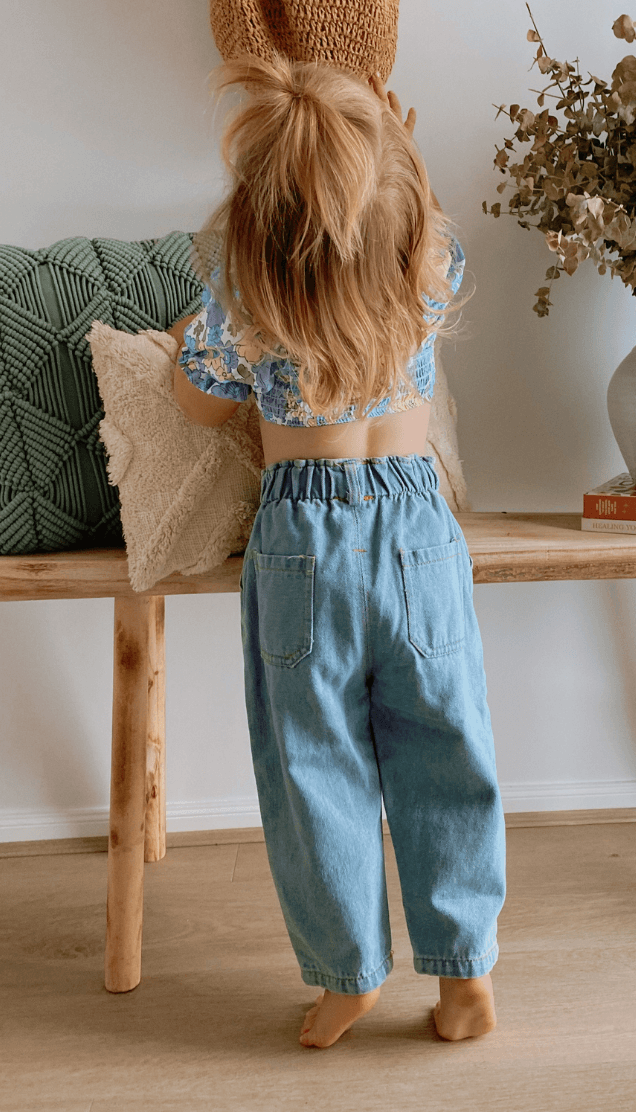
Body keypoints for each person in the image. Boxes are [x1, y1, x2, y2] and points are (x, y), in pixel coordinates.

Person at [166, 54, 506, 1049]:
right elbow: (410, 211)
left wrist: (190, 334)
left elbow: (195, 405)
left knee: (314, 762)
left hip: (301, 543)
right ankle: (464, 973)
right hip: (417, 532)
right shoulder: (427, 260)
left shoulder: (244, 300)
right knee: (447, 745)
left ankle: (347, 974)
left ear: (255, 226)